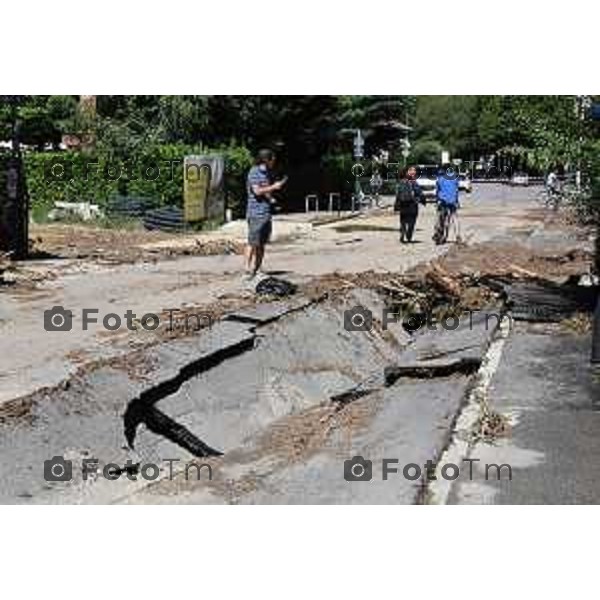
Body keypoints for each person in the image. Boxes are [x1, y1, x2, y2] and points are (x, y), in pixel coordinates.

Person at [244, 149, 286, 279]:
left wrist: (271, 198)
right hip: (255, 213)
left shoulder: (266, 173)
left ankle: (257, 269)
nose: (274, 162)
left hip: (265, 212)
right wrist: (274, 187)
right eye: (272, 159)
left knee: (262, 243)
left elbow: (264, 190)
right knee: (252, 242)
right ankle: (247, 269)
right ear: (266, 160)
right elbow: (256, 191)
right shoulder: (254, 172)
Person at [394, 166, 425, 243]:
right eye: (411, 170)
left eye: (414, 170)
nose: (413, 172)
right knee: (412, 220)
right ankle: (408, 235)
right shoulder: (413, 182)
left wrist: (396, 204)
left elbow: (398, 194)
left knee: (403, 220)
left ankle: (403, 231)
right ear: (407, 172)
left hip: (403, 203)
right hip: (412, 203)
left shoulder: (400, 181)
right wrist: (422, 200)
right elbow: (419, 192)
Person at [433, 164, 460, 245]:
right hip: (452, 201)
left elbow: (437, 191)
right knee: (454, 218)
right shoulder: (455, 178)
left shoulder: (440, 179)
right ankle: (457, 235)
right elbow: (456, 190)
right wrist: (456, 201)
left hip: (443, 201)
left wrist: (436, 200)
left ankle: (439, 234)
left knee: (440, 218)